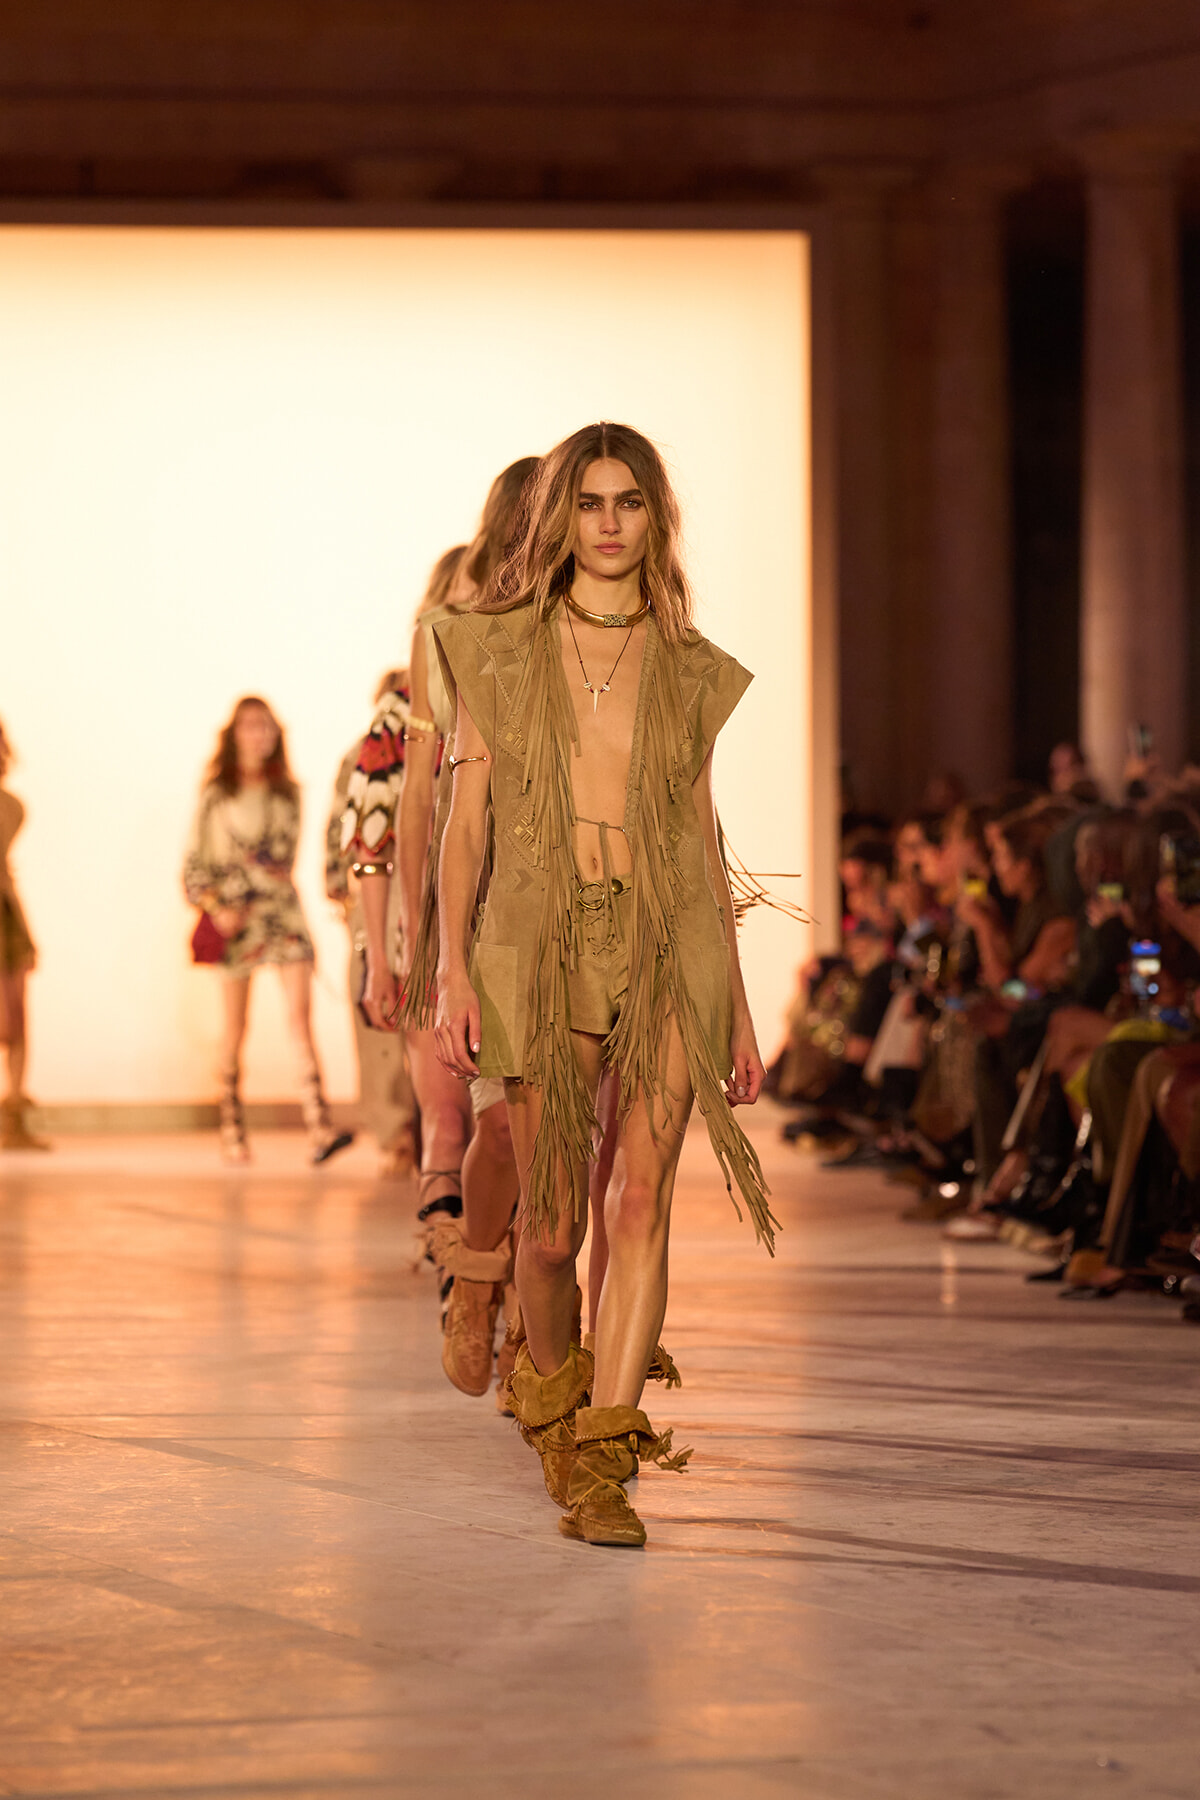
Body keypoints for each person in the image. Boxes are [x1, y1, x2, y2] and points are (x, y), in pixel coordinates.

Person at [434, 422, 776, 1548]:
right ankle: (552, 1401)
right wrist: (451, 968)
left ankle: (605, 1460)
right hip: (540, 946)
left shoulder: (687, 665)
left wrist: (739, 1004)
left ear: (655, 519)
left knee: (638, 1203)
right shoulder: (499, 651)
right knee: (549, 1231)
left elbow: (700, 833)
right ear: (561, 518)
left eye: (630, 502)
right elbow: (466, 827)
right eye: (590, 502)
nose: (611, 522)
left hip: (670, 941)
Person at [184, 696, 352, 1168]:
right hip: (233, 919)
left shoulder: (287, 793)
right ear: (233, 733)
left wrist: (249, 880)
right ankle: (232, 1128)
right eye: (250, 725)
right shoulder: (216, 795)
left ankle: (319, 1126)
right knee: (235, 1027)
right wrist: (217, 906)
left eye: (265, 726)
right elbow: (194, 865)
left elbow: (281, 856)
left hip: (280, 915)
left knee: (300, 1017)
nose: (258, 734)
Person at [325, 668, 419, 1178]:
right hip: (377, 892)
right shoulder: (363, 756)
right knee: (379, 1018)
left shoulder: (442, 747)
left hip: (428, 890)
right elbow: (342, 823)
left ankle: (435, 1133)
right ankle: (394, 1133)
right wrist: (339, 886)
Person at [0, 719, 48, 1152]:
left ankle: (13, 1112)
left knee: (15, 1018)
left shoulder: (11, 807)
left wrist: (26, 934)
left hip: (6, 919)